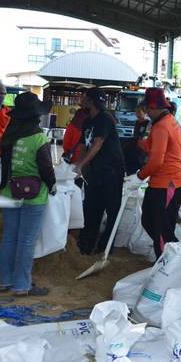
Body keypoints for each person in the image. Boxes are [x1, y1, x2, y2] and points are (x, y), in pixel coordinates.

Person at [0, 92, 56, 296]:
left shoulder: (8, 135)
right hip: (34, 195)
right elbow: (46, 168)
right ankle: (22, 285)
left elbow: (4, 166)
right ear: (35, 116)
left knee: (9, 238)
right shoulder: (39, 138)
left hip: (9, 193)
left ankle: (4, 281)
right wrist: (53, 185)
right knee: (26, 241)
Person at [137, 87, 181, 259]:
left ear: (154, 107)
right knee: (148, 221)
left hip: (168, 184)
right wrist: (140, 142)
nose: (147, 113)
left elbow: (156, 161)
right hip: (162, 184)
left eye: (147, 109)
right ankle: (175, 257)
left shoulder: (161, 127)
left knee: (161, 231)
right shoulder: (170, 121)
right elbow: (156, 147)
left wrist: (139, 176)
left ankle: (169, 265)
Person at [74, 88, 124, 255]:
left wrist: (81, 165)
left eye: (84, 96)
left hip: (111, 170)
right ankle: (85, 246)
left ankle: (104, 248)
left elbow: (97, 144)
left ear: (91, 101)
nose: (81, 99)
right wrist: (77, 165)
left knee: (111, 210)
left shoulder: (104, 119)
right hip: (94, 170)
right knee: (90, 207)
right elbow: (83, 146)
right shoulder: (88, 121)